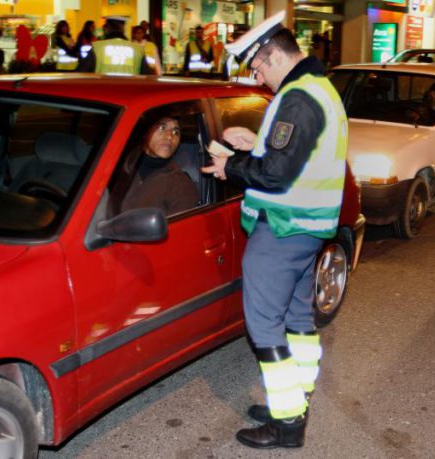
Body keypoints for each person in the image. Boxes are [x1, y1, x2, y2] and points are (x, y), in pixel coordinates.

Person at [201, 10, 348, 449]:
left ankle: (286, 424)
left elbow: (277, 174)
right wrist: (255, 142)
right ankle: (297, 400)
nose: (259, 76)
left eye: (259, 67)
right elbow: (294, 154)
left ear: (272, 56)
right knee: (299, 320)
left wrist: (233, 166)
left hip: (282, 229)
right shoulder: (319, 90)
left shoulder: (298, 98)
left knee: (265, 327)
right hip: (308, 228)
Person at [121, 114, 199, 214]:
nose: (169, 136)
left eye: (176, 132)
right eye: (162, 128)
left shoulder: (181, 187)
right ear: (146, 132)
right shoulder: (118, 167)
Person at [77, 16, 152, 75]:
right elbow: (146, 76)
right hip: (130, 93)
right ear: (123, 29)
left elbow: (82, 73)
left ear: (107, 29)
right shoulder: (138, 50)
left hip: (102, 93)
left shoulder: (97, 47)